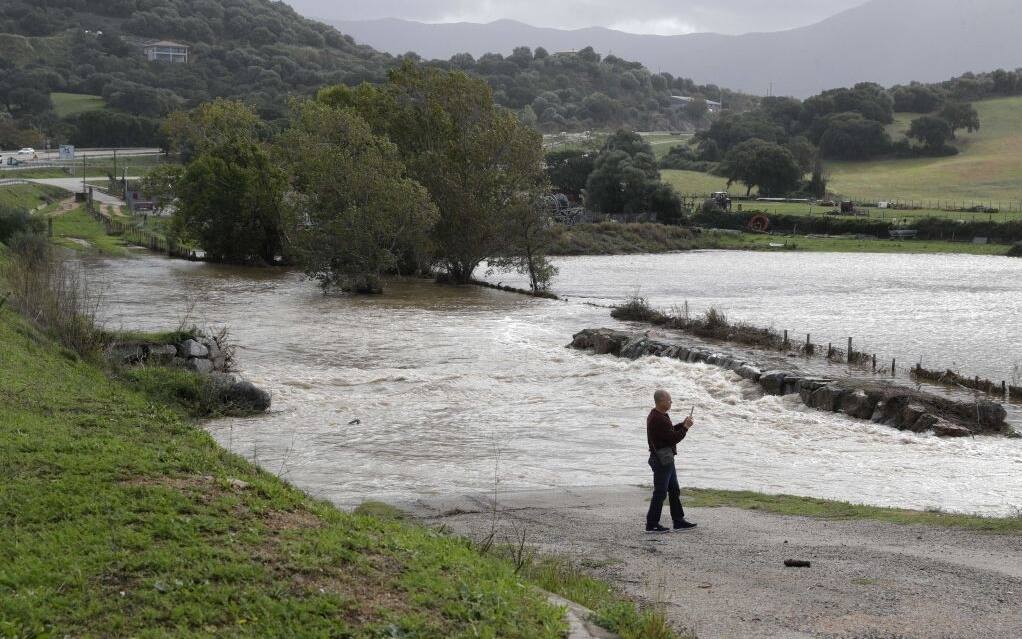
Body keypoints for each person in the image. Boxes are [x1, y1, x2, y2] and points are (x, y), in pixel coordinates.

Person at [645, 389, 696, 533]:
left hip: (666, 459)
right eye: (669, 400)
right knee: (660, 492)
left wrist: (682, 424)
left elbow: (669, 432)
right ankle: (652, 524)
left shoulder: (658, 415)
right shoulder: (658, 418)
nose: (671, 402)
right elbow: (673, 438)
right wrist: (685, 428)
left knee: (674, 490)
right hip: (662, 460)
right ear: (661, 401)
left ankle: (678, 521)